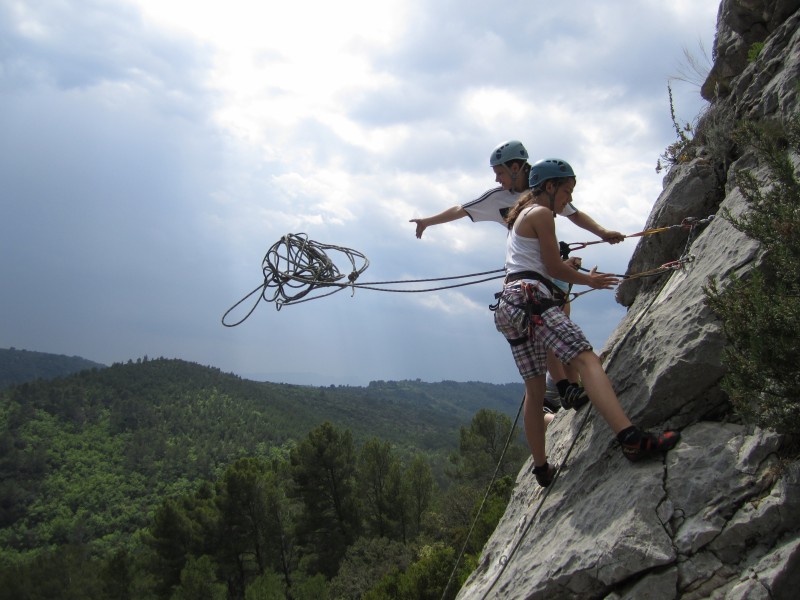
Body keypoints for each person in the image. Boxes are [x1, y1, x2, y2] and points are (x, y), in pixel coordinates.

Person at [492, 158, 680, 487]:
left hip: (508, 307)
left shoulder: (522, 215)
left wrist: (601, 236)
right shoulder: (541, 213)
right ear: (549, 187)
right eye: (566, 191)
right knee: (586, 357)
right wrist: (587, 280)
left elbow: (546, 259)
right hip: (530, 299)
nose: (568, 198)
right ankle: (631, 439)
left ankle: (541, 469)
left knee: (534, 392)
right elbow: (553, 268)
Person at [410, 140, 624, 409]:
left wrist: (603, 233)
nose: (496, 179)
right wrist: (427, 221)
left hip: (548, 266)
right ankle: (564, 387)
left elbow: (574, 214)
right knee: (551, 329)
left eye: (499, 172)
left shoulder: (545, 187)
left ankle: (571, 385)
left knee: (562, 323)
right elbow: (460, 210)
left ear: (515, 167)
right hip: (532, 271)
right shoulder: (500, 196)